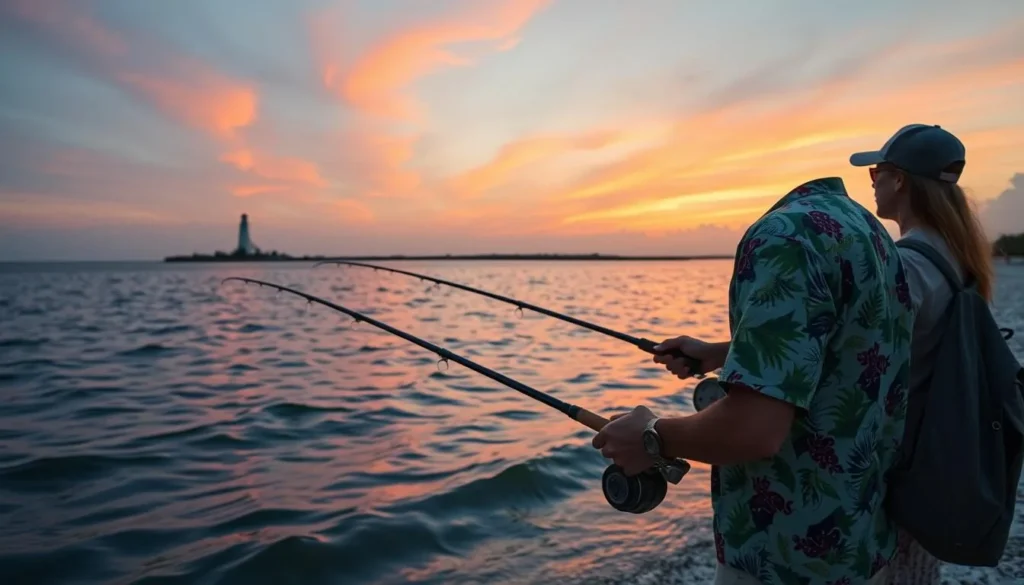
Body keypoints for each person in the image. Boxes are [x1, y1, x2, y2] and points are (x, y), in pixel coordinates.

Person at [591, 175, 915, 584]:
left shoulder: (783, 237)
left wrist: (651, 437)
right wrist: (728, 351)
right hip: (859, 541)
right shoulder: (865, 229)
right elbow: (848, 346)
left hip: (783, 554)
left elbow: (754, 430)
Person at [848, 124, 994, 584]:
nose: (871, 182)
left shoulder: (905, 265)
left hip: (896, 466)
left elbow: (852, 358)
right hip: (932, 455)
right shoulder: (956, 255)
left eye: (877, 171)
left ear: (900, 180)